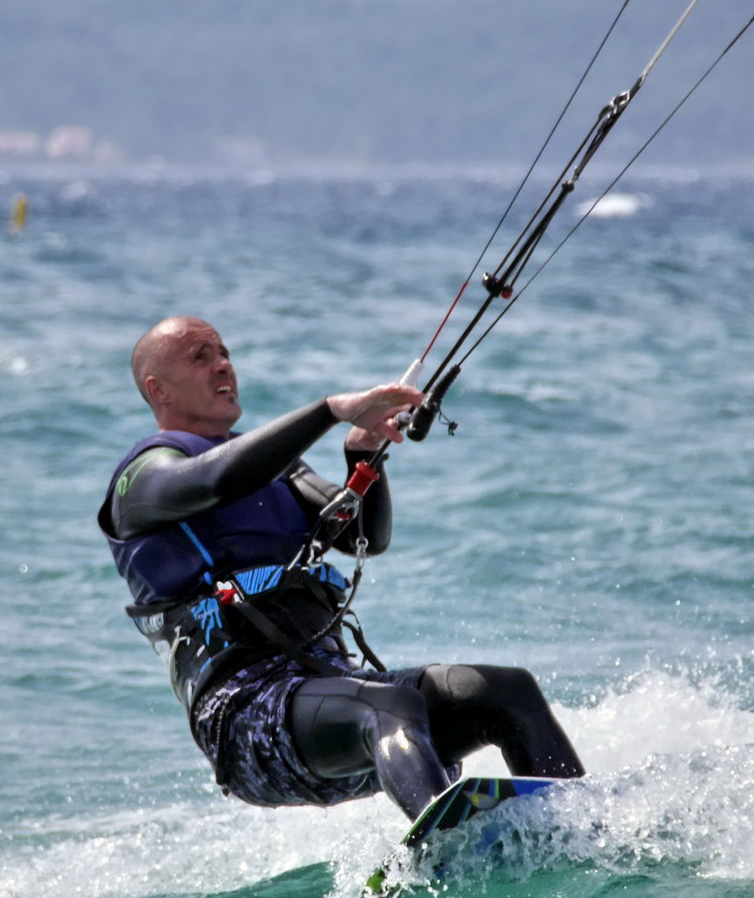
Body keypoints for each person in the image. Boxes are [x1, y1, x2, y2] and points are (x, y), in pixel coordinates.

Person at [98, 316, 585, 821]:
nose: (223, 364)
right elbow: (213, 481)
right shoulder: (141, 480)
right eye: (200, 357)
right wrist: (328, 410)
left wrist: (360, 457)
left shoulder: (282, 470)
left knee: (503, 692)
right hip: (244, 715)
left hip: (331, 691)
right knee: (392, 707)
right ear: (158, 389)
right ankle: (450, 847)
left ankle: (572, 828)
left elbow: (362, 538)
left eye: (224, 352)